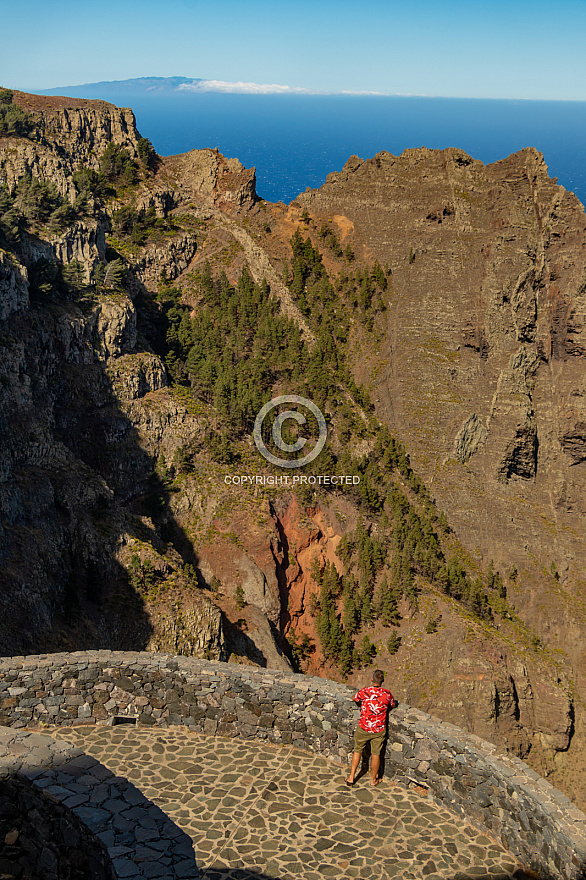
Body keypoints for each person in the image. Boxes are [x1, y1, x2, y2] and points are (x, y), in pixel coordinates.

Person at [345, 669, 396, 787]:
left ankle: (351, 777)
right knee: (376, 754)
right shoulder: (387, 694)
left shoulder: (365, 691)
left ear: (372, 679)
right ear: (382, 681)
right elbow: (392, 704)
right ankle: (373, 780)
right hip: (378, 730)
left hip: (364, 727)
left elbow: (354, 698)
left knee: (357, 750)